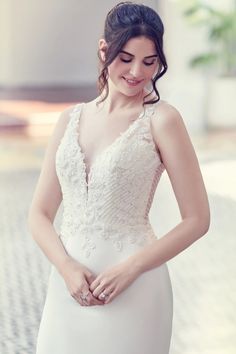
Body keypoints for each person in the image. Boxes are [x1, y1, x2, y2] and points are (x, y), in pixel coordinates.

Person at [28, 2, 210, 354]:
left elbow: (198, 219)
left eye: (149, 61)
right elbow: (39, 214)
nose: (136, 72)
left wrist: (133, 268)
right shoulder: (69, 119)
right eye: (125, 58)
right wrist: (66, 268)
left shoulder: (162, 120)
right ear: (103, 50)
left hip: (136, 288)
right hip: (67, 288)